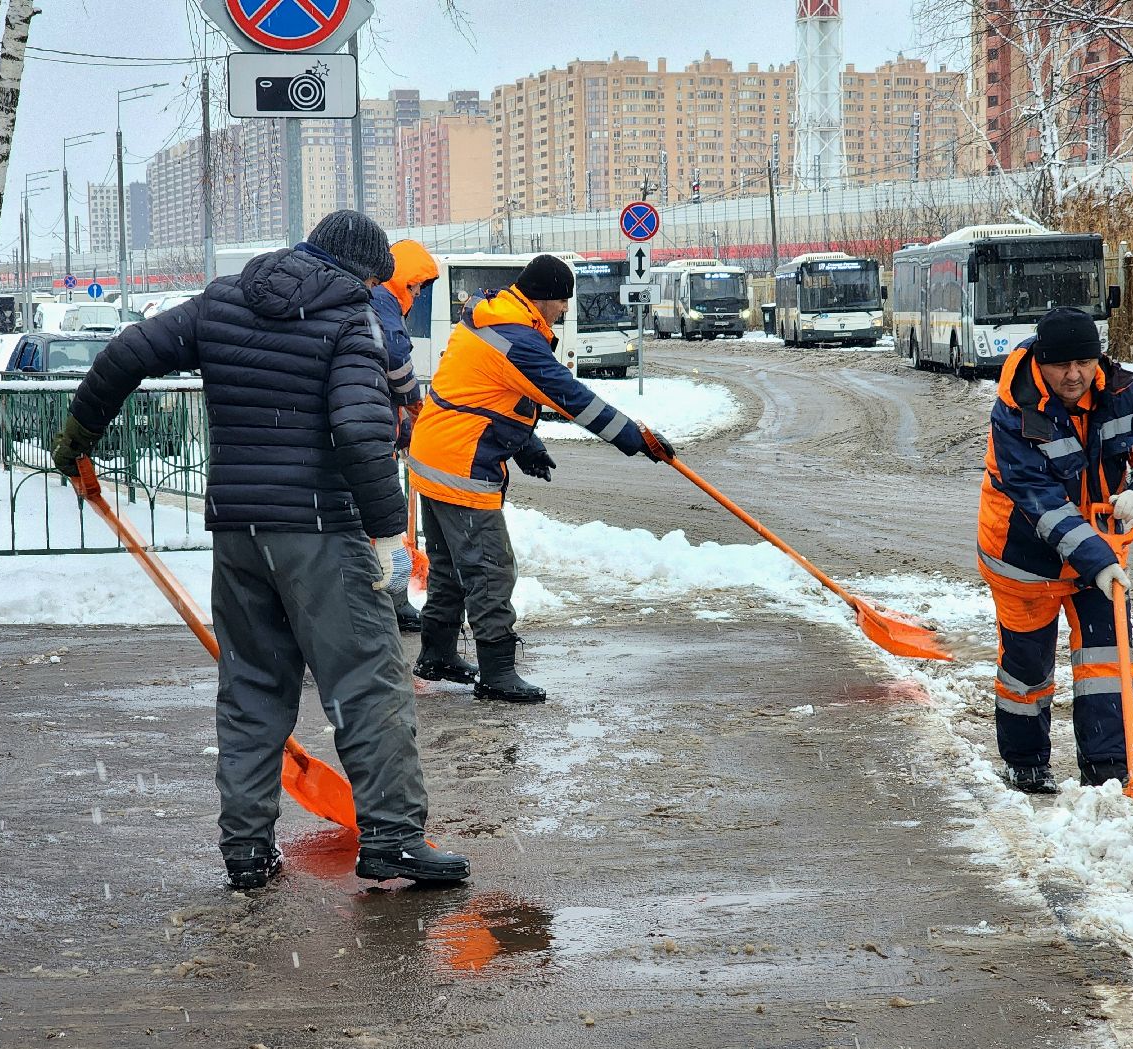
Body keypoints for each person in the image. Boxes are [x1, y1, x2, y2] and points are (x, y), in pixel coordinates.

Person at [50, 209, 469, 889]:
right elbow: (362, 435)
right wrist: (390, 531)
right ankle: (392, 839)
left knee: (252, 691)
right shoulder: (347, 318)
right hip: (319, 533)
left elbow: (126, 352)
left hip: (240, 536)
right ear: (363, 272)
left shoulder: (224, 299)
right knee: (369, 685)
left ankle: (246, 851)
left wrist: (77, 438)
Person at [406, 254, 674, 704]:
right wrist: (635, 437)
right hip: (461, 467)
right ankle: (497, 672)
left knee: (451, 566)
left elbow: (488, 389)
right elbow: (574, 399)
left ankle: (437, 654)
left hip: (433, 454)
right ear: (547, 299)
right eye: (563, 302)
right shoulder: (517, 338)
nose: (565, 311)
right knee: (490, 568)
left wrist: (525, 443)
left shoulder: (492, 315)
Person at [978, 306, 1133, 795]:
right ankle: (1025, 762)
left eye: (1085, 363)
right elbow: (1039, 500)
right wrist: (1099, 559)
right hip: (1025, 558)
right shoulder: (1015, 409)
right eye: (1061, 365)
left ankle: (1108, 764)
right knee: (1027, 669)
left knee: (1107, 661)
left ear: (1099, 358)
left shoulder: (1123, 392)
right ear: (1040, 363)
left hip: (1101, 558)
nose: (1075, 375)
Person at [369, 239, 441, 634]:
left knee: (384, 524)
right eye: (415, 285)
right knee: (386, 522)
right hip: (371, 435)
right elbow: (395, 358)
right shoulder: (383, 301)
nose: (416, 294)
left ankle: (391, 604)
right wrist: (415, 402)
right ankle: (391, 606)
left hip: (380, 431)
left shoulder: (381, 299)